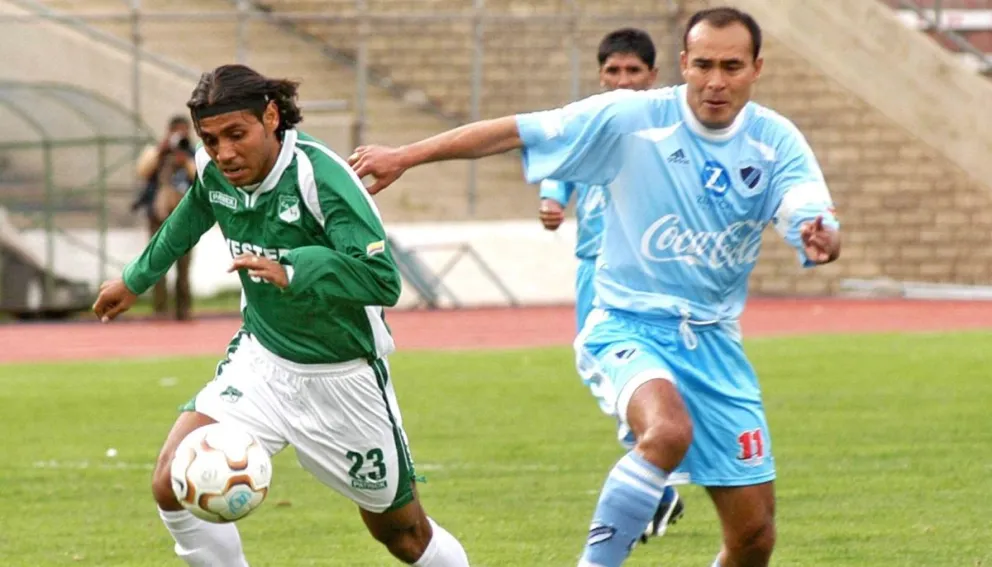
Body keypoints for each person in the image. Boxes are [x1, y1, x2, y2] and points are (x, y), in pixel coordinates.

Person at [348, 7, 842, 567]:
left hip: (715, 342)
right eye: (704, 65)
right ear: (683, 63)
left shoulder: (775, 140)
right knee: (667, 431)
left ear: (757, 68)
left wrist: (819, 234)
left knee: (754, 539)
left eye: (731, 66)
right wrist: (406, 156)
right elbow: (517, 129)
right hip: (628, 325)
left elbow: (806, 205)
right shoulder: (632, 117)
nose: (715, 81)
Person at [93, 63, 470, 567]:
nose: (224, 153)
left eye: (236, 134)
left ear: (271, 117)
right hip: (262, 363)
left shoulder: (321, 177)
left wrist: (295, 267)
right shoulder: (214, 171)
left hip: (342, 379)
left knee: (403, 535)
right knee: (172, 481)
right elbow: (193, 212)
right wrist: (136, 278)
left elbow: (382, 280)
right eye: (210, 140)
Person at [536, 27, 685, 544]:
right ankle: (654, 482)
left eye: (633, 71)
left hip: (650, 274)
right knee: (607, 373)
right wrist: (553, 197)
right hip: (595, 271)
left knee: (645, 375)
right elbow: (561, 160)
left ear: (653, 75)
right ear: (600, 75)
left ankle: (652, 484)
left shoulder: (669, 128)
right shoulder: (592, 122)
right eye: (613, 71)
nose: (622, 80)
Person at [133, 115, 197, 320]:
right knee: (156, 262)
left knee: (184, 266)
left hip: (185, 217)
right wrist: (161, 151)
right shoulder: (157, 152)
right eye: (176, 131)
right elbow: (143, 171)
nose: (180, 135)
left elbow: (200, 178)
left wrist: (185, 161)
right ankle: (160, 309)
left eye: (184, 131)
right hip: (158, 215)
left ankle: (183, 310)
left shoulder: (194, 154)